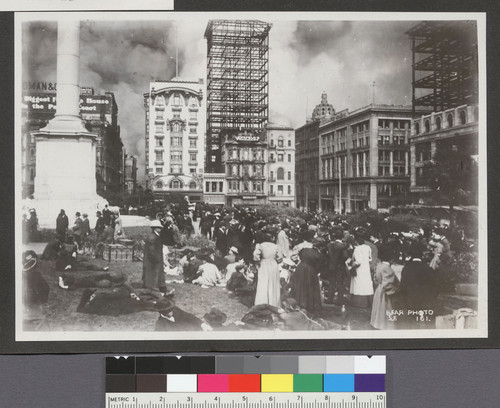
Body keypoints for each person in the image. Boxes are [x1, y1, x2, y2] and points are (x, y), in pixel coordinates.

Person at [398, 243, 439, 329]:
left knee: (412, 323)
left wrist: (405, 299)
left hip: (411, 299)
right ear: (422, 255)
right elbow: (434, 285)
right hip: (425, 300)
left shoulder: (406, 268)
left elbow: (402, 286)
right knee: (428, 323)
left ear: (411, 255)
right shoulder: (427, 268)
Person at [370, 245, 399, 330]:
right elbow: (388, 283)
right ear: (390, 259)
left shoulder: (379, 266)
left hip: (379, 289)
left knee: (378, 308)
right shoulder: (387, 268)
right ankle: (383, 325)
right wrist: (395, 290)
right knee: (385, 308)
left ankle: (376, 323)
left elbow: (375, 279)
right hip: (385, 291)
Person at [289, 247, 323, 314]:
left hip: (301, 268)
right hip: (310, 269)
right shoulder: (314, 251)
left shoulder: (302, 248)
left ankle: (299, 304)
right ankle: (309, 305)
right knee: (309, 287)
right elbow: (318, 261)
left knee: (300, 286)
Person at [253, 233, 282, 308]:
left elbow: (255, 255)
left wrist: (258, 261)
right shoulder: (276, 246)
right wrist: (276, 261)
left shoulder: (260, 245)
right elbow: (280, 258)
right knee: (273, 282)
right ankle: (273, 303)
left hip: (264, 264)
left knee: (263, 283)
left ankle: (262, 303)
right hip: (273, 264)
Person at [142, 220, 170, 294]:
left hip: (154, 261)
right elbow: (152, 251)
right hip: (153, 261)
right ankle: (155, 292)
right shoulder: (153, 237)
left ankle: (162, 290)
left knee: (157, 277)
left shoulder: (155, 236)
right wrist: (158, 259)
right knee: (153, 277)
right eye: (159, 228)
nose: (160, 229)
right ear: (155, 228)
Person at [348, 232, 374, 308]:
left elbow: (358, 261)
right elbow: (370, 259)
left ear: (356, 241)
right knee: (365, 284)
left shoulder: (357, 249)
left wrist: (351, 265)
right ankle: (367, 302)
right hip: (366, 268)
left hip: (359, 269)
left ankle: (359, 303)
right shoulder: (367, 247)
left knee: (358, 284)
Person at [325, 228, 348, 304]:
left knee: (331, 282)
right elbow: (345, 256)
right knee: (340, 283)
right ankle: (339, 299)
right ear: (342, 237)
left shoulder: (329, 245)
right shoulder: (342, 246)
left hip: (331, 266)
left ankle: (330, 299)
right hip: (339, 266)